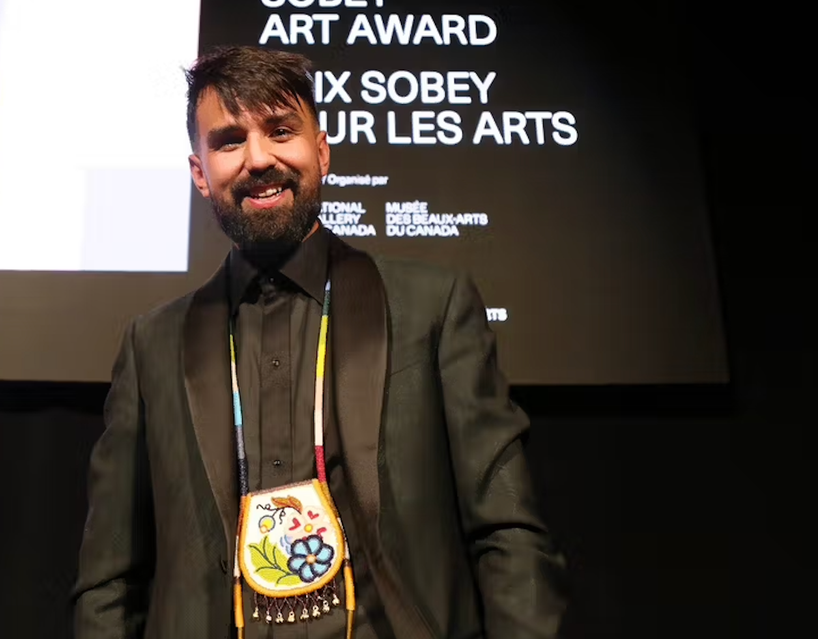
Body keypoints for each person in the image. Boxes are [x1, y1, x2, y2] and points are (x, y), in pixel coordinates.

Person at [71, 45, 567, 639]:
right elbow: (110, 581)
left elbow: (507, 531)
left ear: (322, 151)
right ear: (200, 173)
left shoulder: (434, 309)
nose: (259, 158)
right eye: (229, 141)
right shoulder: (151, 345)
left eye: (281, 131)